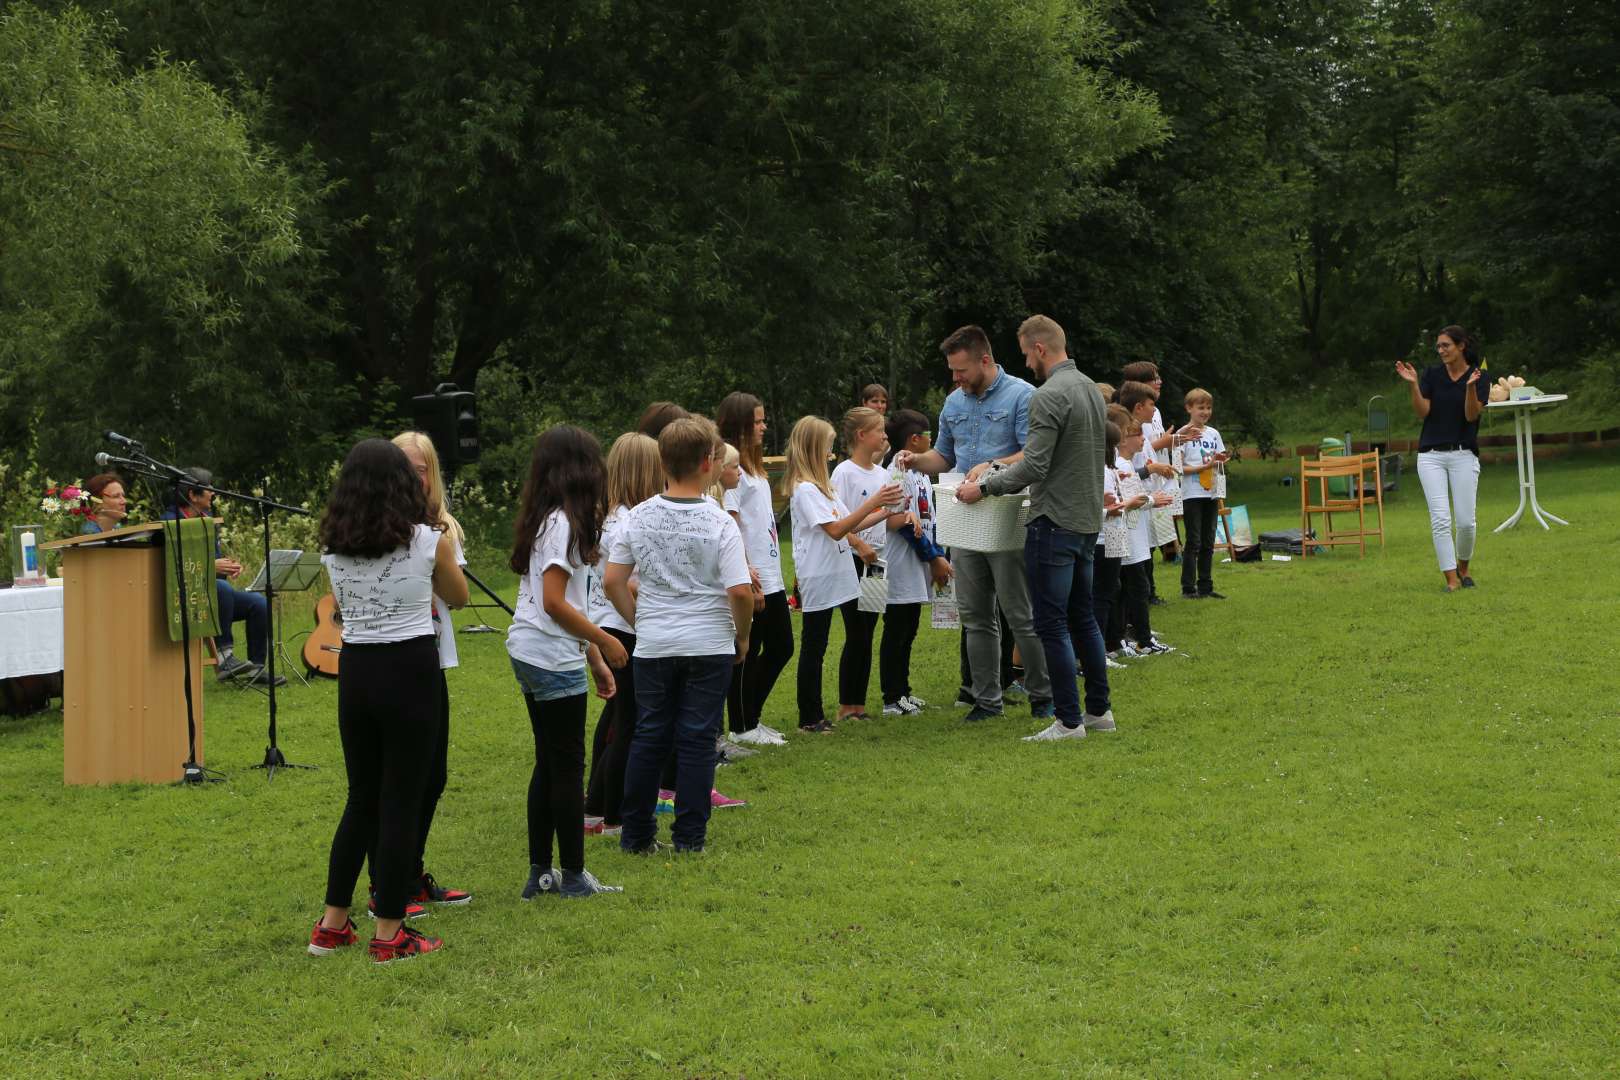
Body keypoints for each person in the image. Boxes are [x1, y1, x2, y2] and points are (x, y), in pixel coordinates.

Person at [307, 439, 468, 963]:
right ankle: (390, 932)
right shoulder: (428, 541)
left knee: (362, 797)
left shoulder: (334, 549)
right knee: (401, 798)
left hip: (356, 670)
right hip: (409, 668)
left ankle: (331, 925)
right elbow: (459, 596)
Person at [958, 315, 1113, 741]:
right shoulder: (1090, 388)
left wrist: (984, 487)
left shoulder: (1048, 395)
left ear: (1040, 348)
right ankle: (1099, 711)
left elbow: (1035, 465)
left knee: (1051, 624)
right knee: (1084, 619)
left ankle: (1068, 721)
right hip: (1086, 521)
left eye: (1027, 354)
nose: (1027, 363)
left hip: (1054, 522)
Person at [604, 417, 755, 854]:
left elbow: (613, 580)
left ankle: (636, 836)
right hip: (708, 643)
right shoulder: (719, 521)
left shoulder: (638, 516)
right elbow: (740, 590)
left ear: (662, 462)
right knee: (697, 739)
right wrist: (742, 636)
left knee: (650, 735)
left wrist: (640, 621)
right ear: (708, 462)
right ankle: (689, 838)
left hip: (655, 643)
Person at [893, 325, 1053, 723]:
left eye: (961, 370)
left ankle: (1043, 696)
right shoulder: (953, 403)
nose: (956, 377)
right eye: (952, 370)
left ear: (984, 360)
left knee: (1019, 614)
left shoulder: (1022, 396)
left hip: (1007, 516)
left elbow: (1033, 454)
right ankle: (986, 701)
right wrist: (916, 460)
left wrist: (991, 466)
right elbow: (944, 457)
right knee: (976, 615)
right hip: (963, 519)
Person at [506, 426, 626, 901]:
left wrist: (593, 658)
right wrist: (604, 640)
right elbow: (555, 603)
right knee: (568, 766)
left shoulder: (546, 520)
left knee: (550, 761)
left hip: (532, 650)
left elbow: (563, 601)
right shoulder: (563, 525)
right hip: (550, 655)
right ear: (580, 470)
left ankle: (541, 874)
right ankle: (573, 876)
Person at [366, 431, 471, 909]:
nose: (413, 477)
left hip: (430, 655)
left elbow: (457, 596)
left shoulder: (439, 530)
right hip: (388, 658)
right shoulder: (366, 526)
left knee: (432, 776)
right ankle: (386, 885)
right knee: (392, 781)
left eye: (422, 469)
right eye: (404, 467)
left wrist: (434, 547)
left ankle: (408, 873)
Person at [782, 416, 900, 734]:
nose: (830, 453)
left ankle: (847, 706)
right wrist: (874, 502)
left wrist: (887, 510)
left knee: (859, 633)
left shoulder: (825, 489)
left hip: (841, 570)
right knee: (815, 644)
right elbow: (836, 530)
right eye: (827, 446)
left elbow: (852, 523)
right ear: (813, 448)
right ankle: (810, 717)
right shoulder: (805, 489)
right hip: (818, 573)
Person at [584, 433, 663, 835]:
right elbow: (629, 582)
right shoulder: (631, 521)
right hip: (622, 627)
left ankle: (595, 805)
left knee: (617, 717)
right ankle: (614, 813)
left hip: (605, 623)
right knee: (630, 722)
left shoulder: (609, 516)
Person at [715, 392, 794, 748]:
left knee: (781, 646)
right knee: (749, 651)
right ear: (739, 426)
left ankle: (750, 717)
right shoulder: (733, 473)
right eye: (757, 422)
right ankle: (743, 724)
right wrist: (746, 571)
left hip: (770, 574)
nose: (764, 427)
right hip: (752, 577)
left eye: (763, 420)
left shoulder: (755, 469)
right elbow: (731, 524)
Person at [161, 467, 281, 686]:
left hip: (214, 594)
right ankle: (225, 658)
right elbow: (173, 565)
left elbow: (212, 561)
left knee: (259, 603)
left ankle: (256, 669)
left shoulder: (208, 520)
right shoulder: (170, 522)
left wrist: (226, 566)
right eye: (209, 488)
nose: (213, 493)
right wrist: (211, 566)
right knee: (222, 588)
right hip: (187, 599)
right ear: (192, 494)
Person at [1396, 325, 1489, 592]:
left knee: (1466, 522)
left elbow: (1471, 416)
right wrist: (1414, 385)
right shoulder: (1432, 375)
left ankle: (1463, 568)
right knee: (1440, 519)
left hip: (1464, 454)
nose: (1441, 350)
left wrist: (1469, 388)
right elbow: (1422, 412)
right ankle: (1451, 579)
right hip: (1431, 457)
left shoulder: (1479, 376)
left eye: (1446, 345)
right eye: (1438, 346)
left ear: (1461, 346)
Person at [830, 407, 901, 722]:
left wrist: (900, 514)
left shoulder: (882, 474)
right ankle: (847, 705)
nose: (885, 436)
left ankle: (858, 706)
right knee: (856, 631)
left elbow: (883, 515)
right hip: (853, 560)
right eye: (879, 431)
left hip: (877, 561)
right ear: (861, 435)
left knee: (868, 631)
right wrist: (859, 546)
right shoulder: (844, 473)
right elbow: (836, 521)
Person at [880, 409, 951, 715]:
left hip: (918, 561)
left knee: (909, 629)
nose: (932, 441)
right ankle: (891, 697)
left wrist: (938, 553)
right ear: (914, 439)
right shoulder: (897, 469)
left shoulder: (920, 471)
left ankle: (904, 691)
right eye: (929, 435)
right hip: (900, 562)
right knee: (897, 629)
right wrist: (933, 558)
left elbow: (927, 518)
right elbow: (902, 521)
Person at [1113, 416, 1163, 655]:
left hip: (1135, 538)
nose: (1144, 439)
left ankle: (1124, 638)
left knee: (1128, 590)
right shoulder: (1121, 465)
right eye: (1138, 435)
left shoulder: (1126, 464)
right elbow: (1129, 502)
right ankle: (1143, 641)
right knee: (1137, 589)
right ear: (1124, 439)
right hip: (1130, 540)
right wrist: (1153, 500)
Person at [1178, 389, 1229, 600]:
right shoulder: (1182, 434)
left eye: (1208, 407)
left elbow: (1220, 456)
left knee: (1208, 541)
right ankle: (1188, 588)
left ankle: (1206, 586)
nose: (1205, 412)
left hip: (1211, 492)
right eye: (1201, 407)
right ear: (1189, 408)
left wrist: (1220, 460)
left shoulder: (1213, 433)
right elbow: (1179, 467)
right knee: (1194, 541)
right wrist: (1203, 467)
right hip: (1192, 493)